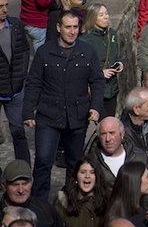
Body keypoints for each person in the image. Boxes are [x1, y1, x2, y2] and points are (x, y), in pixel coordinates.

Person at [23, 11, 104, 200]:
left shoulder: (88, 51)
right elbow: (34, 83)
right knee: (43, 161)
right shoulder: (45, 52)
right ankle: (39, 204)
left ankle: (71, 202)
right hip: (48, 116)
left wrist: (96, 107)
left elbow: (98, 82)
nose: (72, 31)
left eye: (75, 27)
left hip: (77, 117)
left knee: (75, 163)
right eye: (68, 27)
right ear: (58, 28)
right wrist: (28, 112)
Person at [0, 0, 32, 163]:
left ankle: (24, 171)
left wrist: (22, 73)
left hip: (15, 90)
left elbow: (25, 50)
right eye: (0, 6)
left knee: (19, 133)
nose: (4, 10)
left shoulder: (16, 25)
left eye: (6, 5)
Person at [79, 3, 124, 117]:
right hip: (95, 91)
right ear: (92, 18)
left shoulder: (112, 34)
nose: (106, 17)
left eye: (106, 13)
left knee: (109, 122)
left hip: (112, 89)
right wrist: (100, 73)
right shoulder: (84, 40)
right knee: (104, 125)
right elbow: (80, 67)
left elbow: (115, 55)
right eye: (101, 15)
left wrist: (119, 62)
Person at [54, 157, 107, 227]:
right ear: (76, 176)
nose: (87, 176)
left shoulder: (107, 202)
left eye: (92, 172)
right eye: (83, 172)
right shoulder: (63, 203)